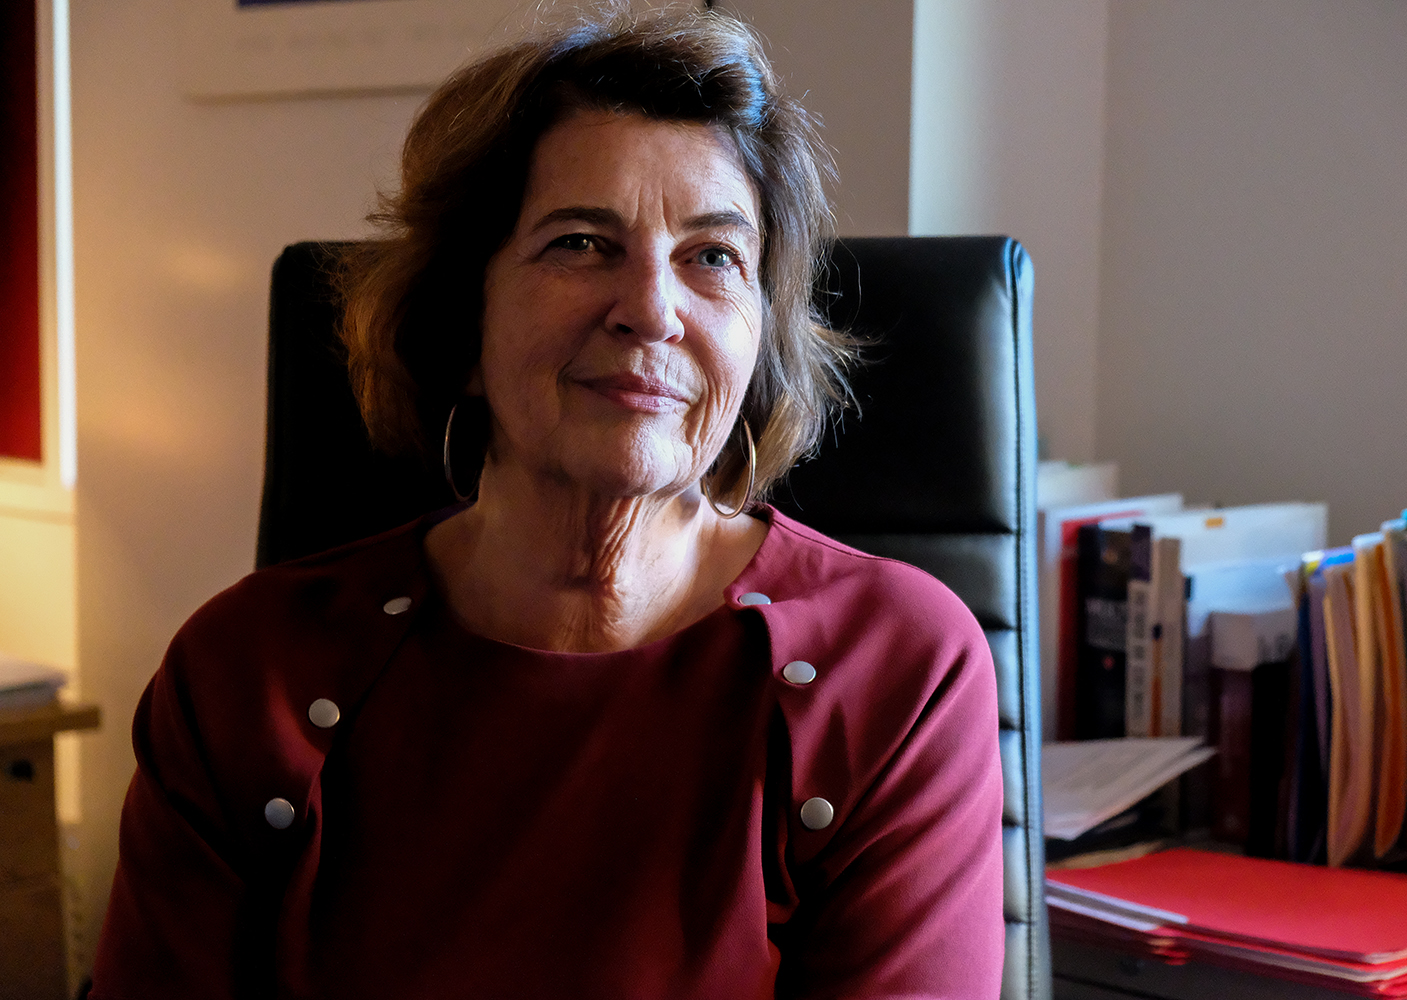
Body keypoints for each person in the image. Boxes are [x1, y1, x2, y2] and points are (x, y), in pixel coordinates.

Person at [89, 8, 1006, 999]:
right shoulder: (243, 671)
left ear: (756, 342)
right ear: (460, 321)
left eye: (713, 258)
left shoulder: (899, 667)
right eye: (579, 243)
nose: (651, 308)